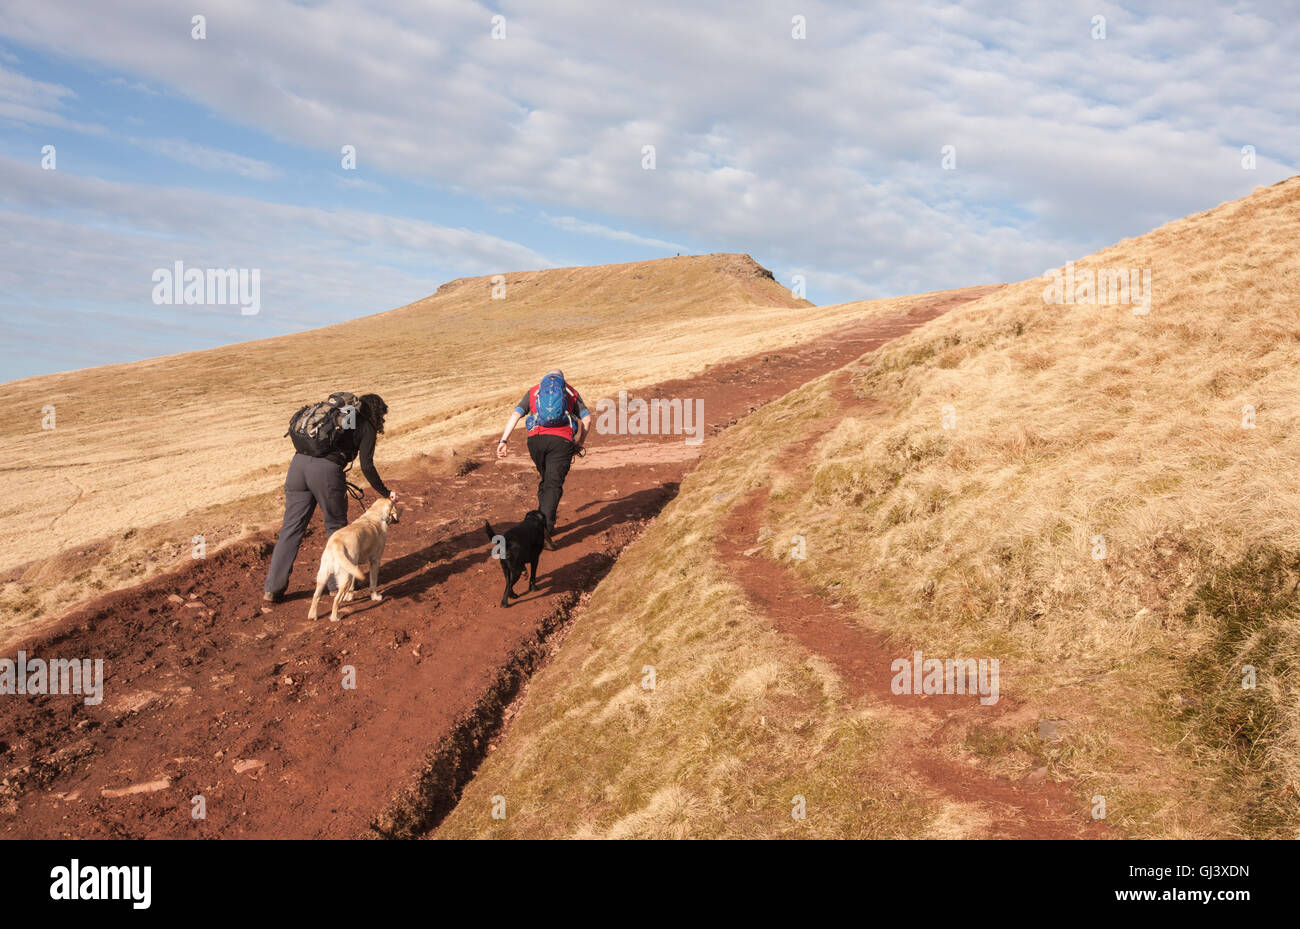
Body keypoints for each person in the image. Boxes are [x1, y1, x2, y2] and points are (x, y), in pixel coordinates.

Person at [263, 393, 395, 605]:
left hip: (298, 466)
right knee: (337, 527)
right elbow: (367, 466)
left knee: (291, 528)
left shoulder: (341, 417)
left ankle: (273, 589)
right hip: (326, 472)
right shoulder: (367, 425)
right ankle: (337, 586)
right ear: (377, 413)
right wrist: (385, 492)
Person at [496, 369, 591, 550]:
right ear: (562, 380)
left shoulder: (534, 391)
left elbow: (516, 414)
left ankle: (541, 523)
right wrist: (580, 442)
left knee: (547, 480)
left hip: (535, 441)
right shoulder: (570, 391)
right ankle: (544, 530)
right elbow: (587, 419)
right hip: (561, 442)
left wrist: (503, 441)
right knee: (553, 485)